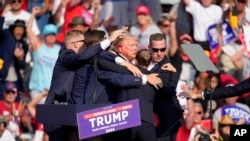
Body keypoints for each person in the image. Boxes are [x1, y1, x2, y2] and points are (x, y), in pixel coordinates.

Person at [147, 33, 182, 141]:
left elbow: (168, 91)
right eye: (156, 50)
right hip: (153, 118)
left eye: (163, 49)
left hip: (167, 121)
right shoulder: (144, 61)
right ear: (149, 48)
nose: (159, 53)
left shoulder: (167, 67)